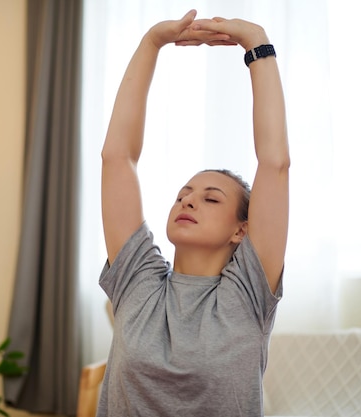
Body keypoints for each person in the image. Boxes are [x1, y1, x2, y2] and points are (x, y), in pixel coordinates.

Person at [98, 9, 289, 417]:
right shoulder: (138, 281)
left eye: (211, 198)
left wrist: (257, 42)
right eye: (184, 193)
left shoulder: (247, 294)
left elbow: (274, 163)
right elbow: (117, 157)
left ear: (243, 229)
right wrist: (152, 42)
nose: (187, 200)